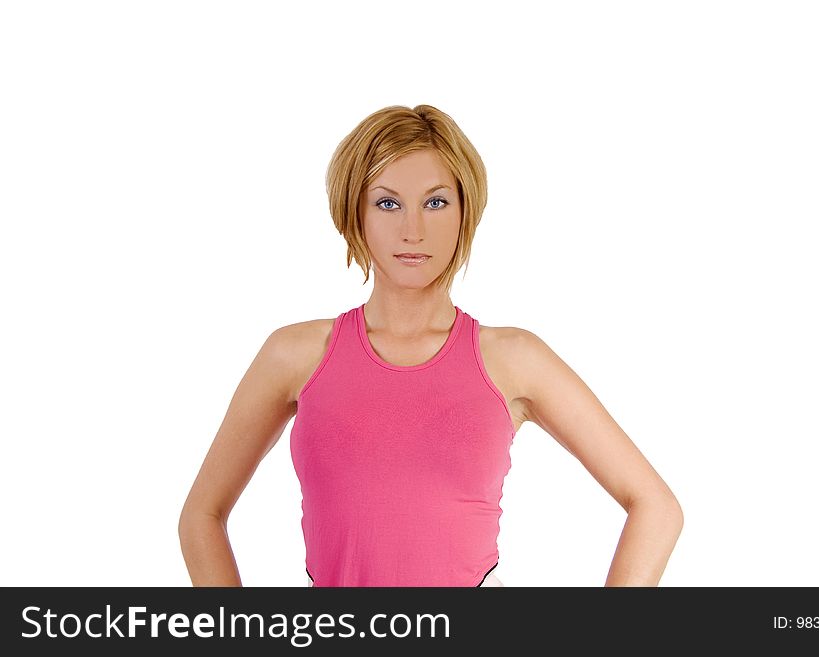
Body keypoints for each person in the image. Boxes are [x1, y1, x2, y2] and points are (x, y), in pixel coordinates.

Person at [178, 104, 683, 587]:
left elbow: (655, 507)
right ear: (355, 213)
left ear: (465, 212)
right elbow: (202, 514)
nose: (412, 229)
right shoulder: (294, 356)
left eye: (436, 202)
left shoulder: (512, 360)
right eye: (388, 202)